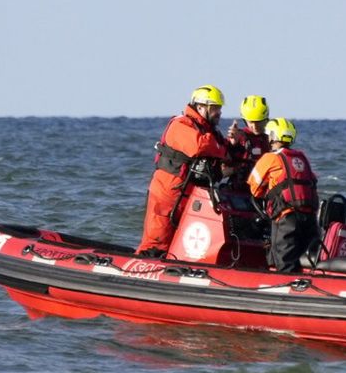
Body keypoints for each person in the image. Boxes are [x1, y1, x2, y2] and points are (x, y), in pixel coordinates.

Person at [137, 85, 234, 256]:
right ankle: (144, 265)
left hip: (191, 194)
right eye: (214, 108)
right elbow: (199, 146)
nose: (218, 112)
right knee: (157, 239)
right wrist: (219, 146)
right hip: (168, 192)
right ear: (201, 107)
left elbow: (223, 151)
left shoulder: (210, 131)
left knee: (183, 243)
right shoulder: (181, 124)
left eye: (219, 108)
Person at [247, 117, 320, 273]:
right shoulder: (301, 157)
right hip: (310, 219)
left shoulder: (270, 158)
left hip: (287, 218)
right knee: (306, 260)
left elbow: (254, 187)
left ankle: (284, 288)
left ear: (272, 136)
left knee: (284, 260)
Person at [227, 95, 273, 162]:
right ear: (245, 120)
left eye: (258, 122)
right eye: (251, 122)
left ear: (265, 119)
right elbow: (225, 164)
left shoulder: (272, 139)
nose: (254, 126)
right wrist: (232, 145)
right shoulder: (238, 137)